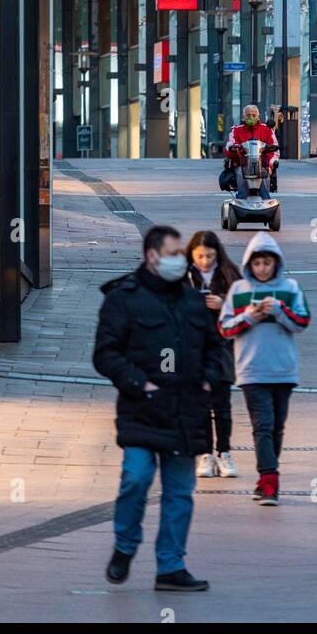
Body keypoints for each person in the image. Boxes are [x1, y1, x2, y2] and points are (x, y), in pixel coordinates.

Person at [93, 224, 226, 593]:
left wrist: (208, 379)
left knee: (180, 491)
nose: (179, 260)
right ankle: (125, 545)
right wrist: (140, 383)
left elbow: (216, 347)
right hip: (143, 408)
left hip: (186, 411)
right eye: (172, 253)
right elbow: (105, 353)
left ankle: (170, 566)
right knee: (135, 479)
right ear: (152, 255)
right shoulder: (124, 298)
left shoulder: (190, 299)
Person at [218, 232, 311, 505]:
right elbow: (225, 328)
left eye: (267, 263)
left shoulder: (291, 288)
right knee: (263, 425)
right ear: (249, 264)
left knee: (277, 427)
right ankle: (270, 480)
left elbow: (302, 322)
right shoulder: (238, 291)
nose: (262, 269)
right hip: (251, 370)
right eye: (257, 264)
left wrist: (279, 310)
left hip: (284, 370)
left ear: (276, 263)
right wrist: (250, 315)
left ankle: (265, 479)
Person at [186, 231, 241, 479]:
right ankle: (205, 454)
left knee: (222, 403)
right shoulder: (183, 277)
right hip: (194, 348)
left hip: (222, 346)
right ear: (192, 254)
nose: (205, 261)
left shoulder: (229, 275)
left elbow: (245, 304)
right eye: (200, 256)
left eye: (209, 256)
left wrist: (224, 304)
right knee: (199, 404)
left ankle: (224, 452)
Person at [222, 104, 280, 193]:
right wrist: (234, 148)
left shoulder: (267, 130)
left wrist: (270, 165)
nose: (251, 117)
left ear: (258, 117)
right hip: (242, 165)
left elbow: (275, 151)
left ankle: (265, 200)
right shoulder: (236, 130)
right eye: (248, 115)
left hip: (262, 166)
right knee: (241, 174)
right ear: (243, 117)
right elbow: (229, 146)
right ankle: (242, 199)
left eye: (254, 115)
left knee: (265, 177)